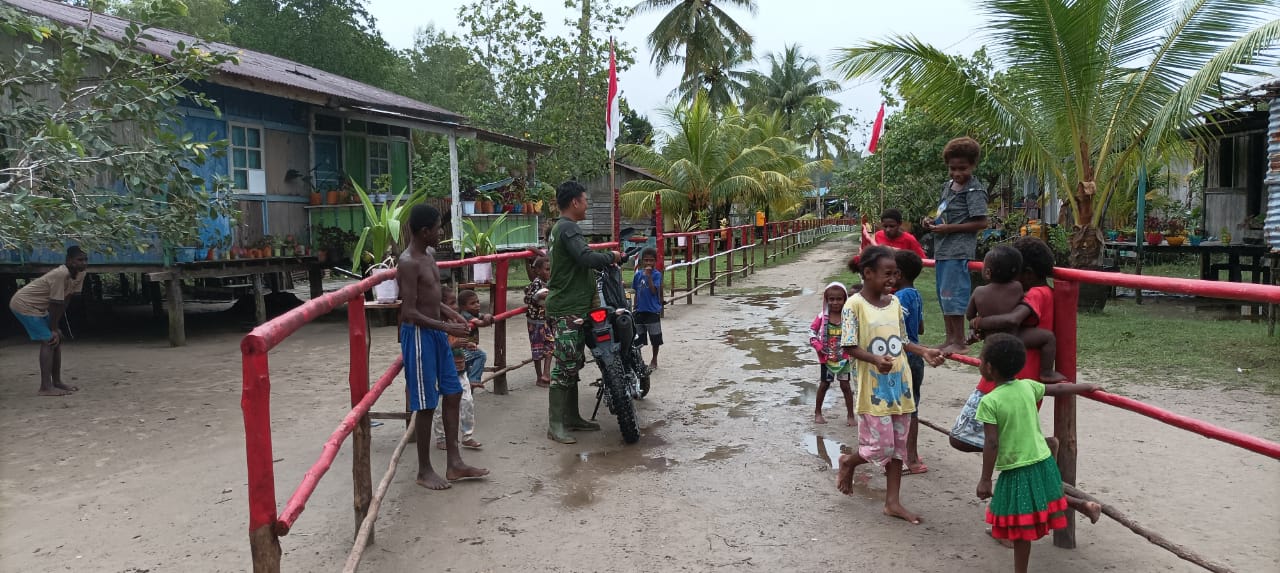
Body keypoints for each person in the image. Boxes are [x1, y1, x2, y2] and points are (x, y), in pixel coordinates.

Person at [835, 245, 945, 524]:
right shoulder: (854, 305)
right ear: (867, 273)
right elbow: (848, 346)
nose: (892, 279)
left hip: (900, 386)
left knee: (897, 447)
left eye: (895, 274)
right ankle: (849, 461)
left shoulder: (895, 303)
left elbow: (903, 340)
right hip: (874, 390)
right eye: (887, 274)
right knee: (880, 447)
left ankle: (892, 502)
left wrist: (924, 352)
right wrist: (873, 359)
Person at [975, 334, 1102, 572]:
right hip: (1042, 460)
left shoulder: (989, 401)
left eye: (981, 360)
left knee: (1020, 524)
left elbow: (991, 443)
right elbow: (1059, 388)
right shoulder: (1027, 386)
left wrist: (984, 479)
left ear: (989, 368)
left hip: (1017, 468)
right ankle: (1085, 506)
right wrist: (1085, 387)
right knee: (1042, 498)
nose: (979, 363)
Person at [396, 204, 489, 489]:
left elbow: (432, 298)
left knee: (452, 392)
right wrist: (447, 326)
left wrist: (452, 314)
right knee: (425, 404)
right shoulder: (408, 262)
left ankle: (454, 463)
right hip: (420, 336)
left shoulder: (430, 255)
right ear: (425, 232)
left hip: (436, 332)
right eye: (438, 229)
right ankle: (424, 470)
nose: (441, 233)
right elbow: (409, 310)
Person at [545, 180, 623, 444]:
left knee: (573, 363)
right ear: (575, 202)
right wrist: (611, 257)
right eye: (585, 199)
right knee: (565, 365)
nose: (587, 204)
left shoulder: (561, 228)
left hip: (573, 306)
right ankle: (555, 424)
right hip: (567, 307)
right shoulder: (568, 229)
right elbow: (585, 257)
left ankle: (572, 416)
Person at [921, 136, 989, 355]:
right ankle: (949, 337)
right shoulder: (948, 187)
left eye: (963, 168)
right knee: (944, 296)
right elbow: (941, 211)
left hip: (958, 251)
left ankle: (959, 340)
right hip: (941, 250)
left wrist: (949, 229)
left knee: (954, 294)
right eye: (953, 168)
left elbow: (981, 222)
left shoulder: (974, 190)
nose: (957, 173)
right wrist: (930, 221)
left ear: (973, 165)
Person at [965, 245, 1066, 382]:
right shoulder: (1018, 288)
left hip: (995, 344)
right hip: (1013, 344)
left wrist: (977, 323)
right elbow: (1012, 319)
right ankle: (1047, 372)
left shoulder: (978, 291)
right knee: (1048, 337)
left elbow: (971, 315)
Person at [9, 246, 89, 396]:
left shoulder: (81, 274)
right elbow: (55, 303)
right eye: (79, 260)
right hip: (24, 304)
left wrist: (56, 327)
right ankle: (45, 387)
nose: (83, 263)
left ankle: (57, 382)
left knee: (56, 339)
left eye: (85, 260)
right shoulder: (61, 274)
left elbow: (67, 299)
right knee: (49, 340)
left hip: (40, 307)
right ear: (69, 261)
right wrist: (53, 329)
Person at [434, 287, 483, 451]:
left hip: (460, 369)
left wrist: (466, 344)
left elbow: (458, 343)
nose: (455, 307)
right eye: (451, 303)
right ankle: (441, 437)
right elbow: (437, 349)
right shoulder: (438, 326)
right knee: (440, 407)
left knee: (468, 402)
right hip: (443, 372)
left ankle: (467, 436)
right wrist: (453, 344)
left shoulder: (455, 322)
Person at [893, 249, 929, 474]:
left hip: (904, 355)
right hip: (916, 357)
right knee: (912, 406)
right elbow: (921, 328)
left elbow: (897, 328)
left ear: (897, 274)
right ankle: (910, 453)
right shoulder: (915, 294)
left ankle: (910, 457)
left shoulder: (899, 298)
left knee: (905, 408)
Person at [808, 282, 855, 426]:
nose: (835, 302)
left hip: (844, 359)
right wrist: (818, 345)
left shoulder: (849, 317)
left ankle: (850, 415)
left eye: (839, 299)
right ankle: (817, 412)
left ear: (845, 299)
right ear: (826, 300)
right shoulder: (822, 317)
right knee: (824, 384)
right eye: (831, 299)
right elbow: (811, 332)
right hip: (826, 359)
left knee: (846, 386)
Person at [523, 255, 554, 388]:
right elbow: (527, 299)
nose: (549, 272)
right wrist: (537, 296)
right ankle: (539, 376)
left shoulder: (550, 283)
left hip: (547, 321)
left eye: (550, 269)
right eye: (547, 269)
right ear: (538, 271)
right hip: (535, 323)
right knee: (537, 349)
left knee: (550, 346)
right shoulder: (536, 283)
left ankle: (546, 373)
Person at [631, 247, 664, 370]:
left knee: (655, 338)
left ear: (655, 262)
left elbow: (654, 290)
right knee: (638, 339)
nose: (648, 263)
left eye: (651, 261)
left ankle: (654, 360)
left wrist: (649, 276)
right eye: (646, 260)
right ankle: (639, 361)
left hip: (652, 311)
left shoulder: (657, 275)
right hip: (640, 310)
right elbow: (636, 291)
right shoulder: (638, 275)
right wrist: (635, 307)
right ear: (642, 261)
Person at [457, 289, 495, 390]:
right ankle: (474, 379)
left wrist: (487, 316)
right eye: (472, 303)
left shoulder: (474, 313)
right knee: (481, 355)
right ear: (463, 307)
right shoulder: (464, 314)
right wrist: (487, 320)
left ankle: (470, 385)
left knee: (466, 371)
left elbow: (484, 316)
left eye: (478, 302)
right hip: (462, 349)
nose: (477, 305)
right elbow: (480, 323)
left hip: (468, 347)